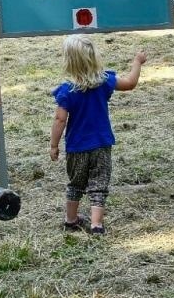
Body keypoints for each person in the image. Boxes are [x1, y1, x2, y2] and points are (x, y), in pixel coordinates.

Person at [49, 36, 146, 236]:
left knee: (75, 184)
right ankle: (96, 225)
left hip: (76, 147)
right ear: (94, 57)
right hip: (101, 144)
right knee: (99, 184)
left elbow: (60, 120)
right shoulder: (104, 81)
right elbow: (130, 83)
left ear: (68, 61)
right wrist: (137, 62)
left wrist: (53, 145)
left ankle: (70, 220)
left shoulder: (67, 90)